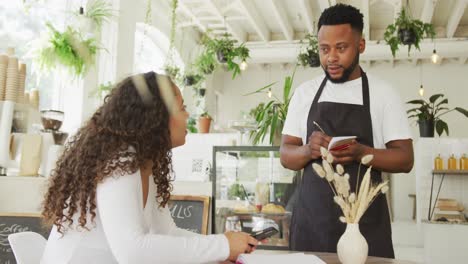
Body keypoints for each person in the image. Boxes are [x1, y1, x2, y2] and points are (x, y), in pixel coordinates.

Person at [41, 71, 258, 263]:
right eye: (182, 108)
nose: (187, 116)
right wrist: (222, 246)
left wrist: (218, 252)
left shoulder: (143, 164)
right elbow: (133, 253)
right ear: (157, 118)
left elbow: (167, 233)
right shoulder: (120, 164)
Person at [280, 4, 414, 258]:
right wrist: (309, 150)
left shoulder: (383, 94)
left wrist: (361, 152)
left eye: (341, 48)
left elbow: (405, 159)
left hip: (366, 228)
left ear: (360, 46)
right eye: (324, 49)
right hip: (312, 226)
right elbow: (286, 155)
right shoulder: (304, 94)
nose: (331, 57)